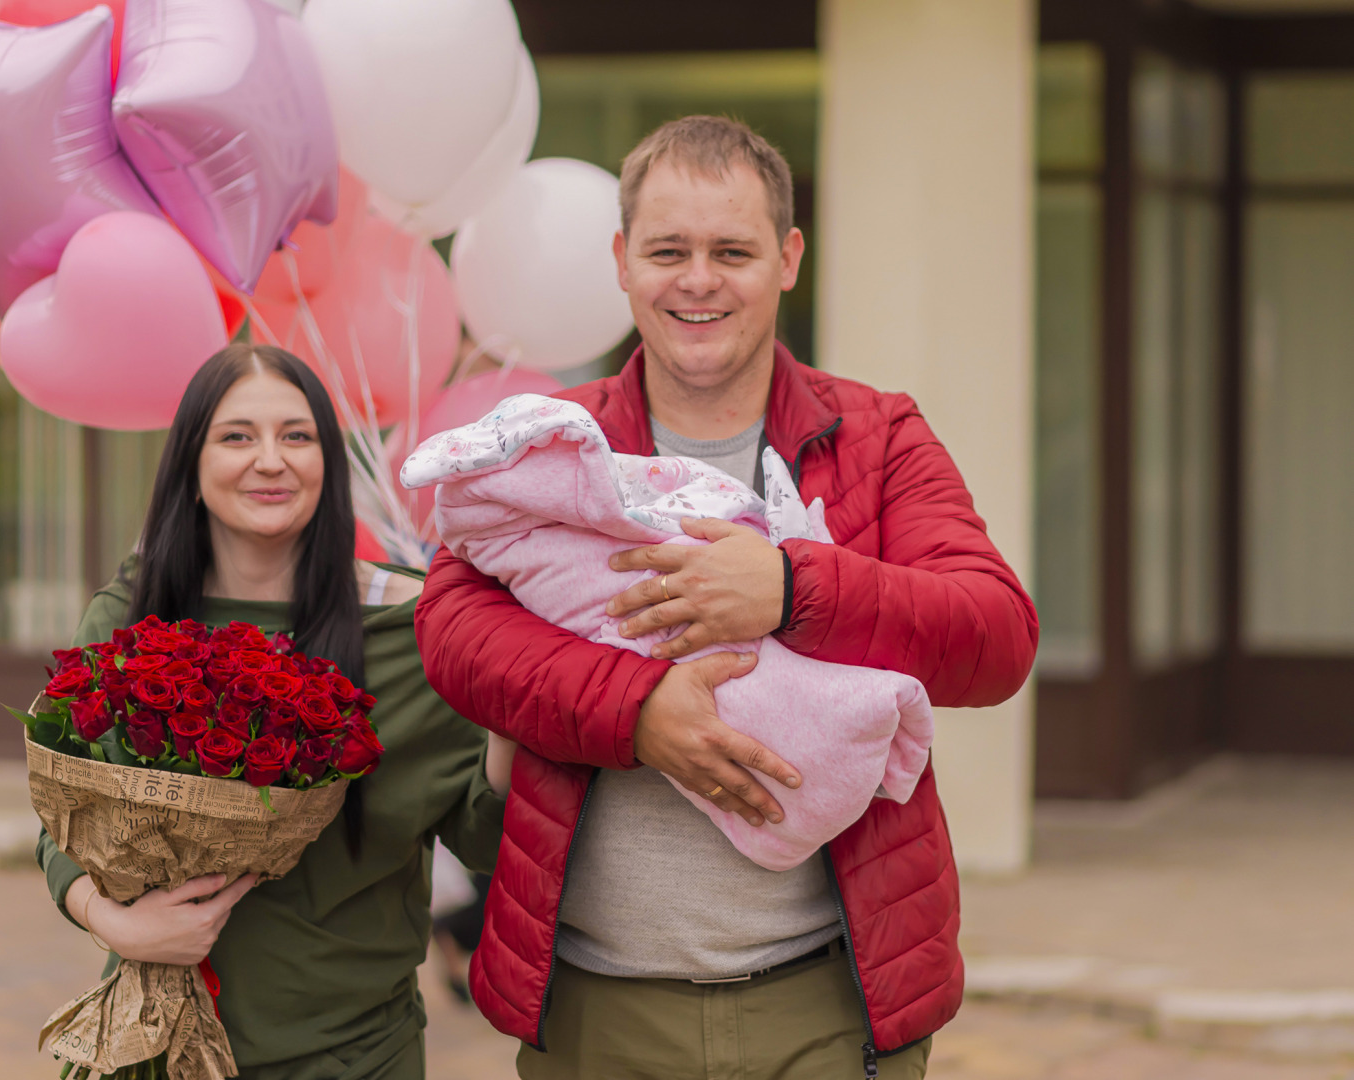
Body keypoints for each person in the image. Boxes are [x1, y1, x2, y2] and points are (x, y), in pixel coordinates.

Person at [415, 116, 1039, 1078]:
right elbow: (453, 628)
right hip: (593, 1010)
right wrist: (636, 712)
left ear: (787, 258)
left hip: (828, 1004)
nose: (697, 280)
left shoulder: (876, 438)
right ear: (622, 261)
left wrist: (789, 585)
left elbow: (994, 635)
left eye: (732, 251)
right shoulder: (549, 445)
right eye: (668, 250)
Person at [36, 343, 509, 1080]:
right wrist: (118, 923)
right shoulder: (128, 623)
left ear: (328, 464)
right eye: (236, 436)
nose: (270, 460)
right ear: (190, 464)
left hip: (355, 1056)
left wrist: (509, 718)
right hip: (159, 1046)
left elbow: (485, 840)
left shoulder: (417, 631)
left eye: (297, 436)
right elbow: (64, 822)